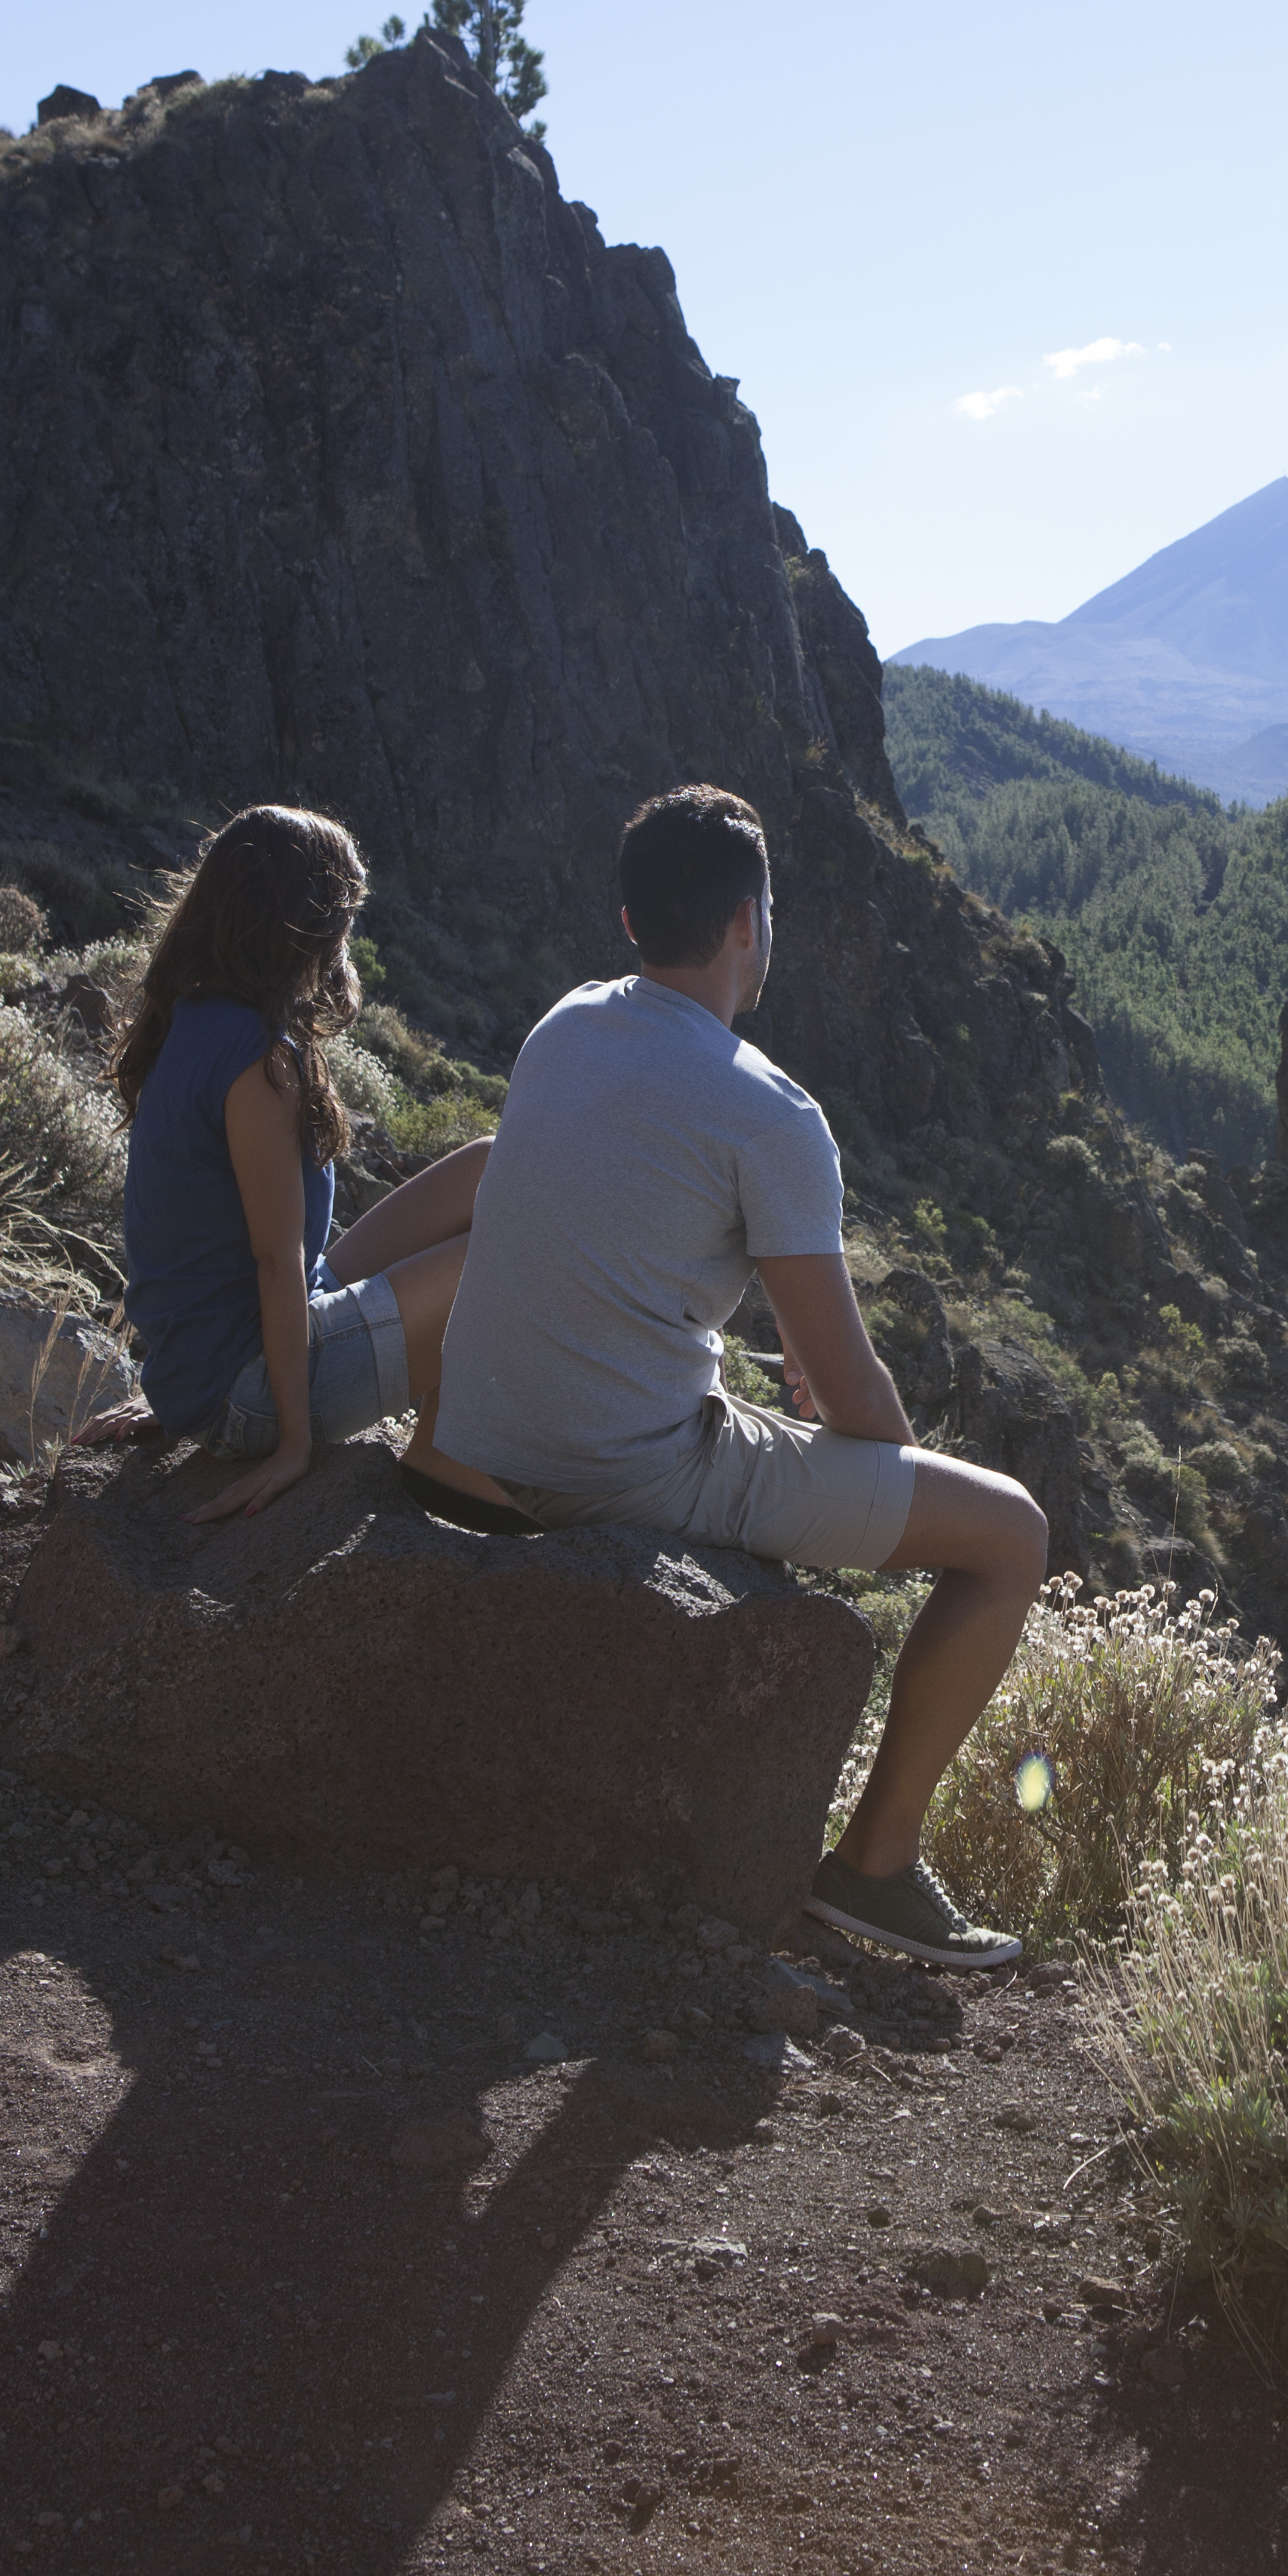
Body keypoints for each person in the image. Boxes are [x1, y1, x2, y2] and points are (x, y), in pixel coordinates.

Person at [413, 782, 1047, 1972]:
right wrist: (886, 1456)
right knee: (1009, 1533)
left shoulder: (563, 1024)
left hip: (474, 1440)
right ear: (750, 923)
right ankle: (876, 1868)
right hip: (615, 1470)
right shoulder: (770, 1113)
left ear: (630, 921)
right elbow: (849, 1392)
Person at [113, 805, 491, 1526]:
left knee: (490, 1165)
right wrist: (290, 1445)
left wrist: (178, 1387)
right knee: (507, 1258)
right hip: (250, 1393)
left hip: (223, 1363)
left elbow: (190, 1242)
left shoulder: (191, 1019)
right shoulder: (258, 1061)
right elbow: (272, 1262)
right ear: (304, 927)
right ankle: (449, 1465)